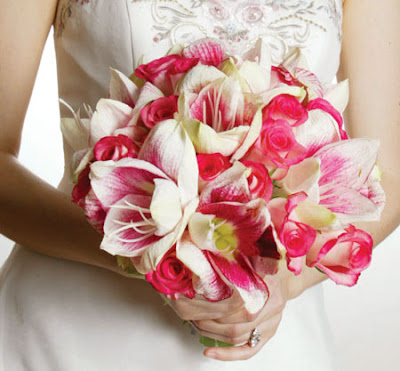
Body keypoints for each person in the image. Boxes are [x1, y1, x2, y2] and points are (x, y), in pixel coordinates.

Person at [0, 0, 398, 369]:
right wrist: (149, 255)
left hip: (263, 328)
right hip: (70, 324)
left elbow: (389, 174)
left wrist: (279, 286)